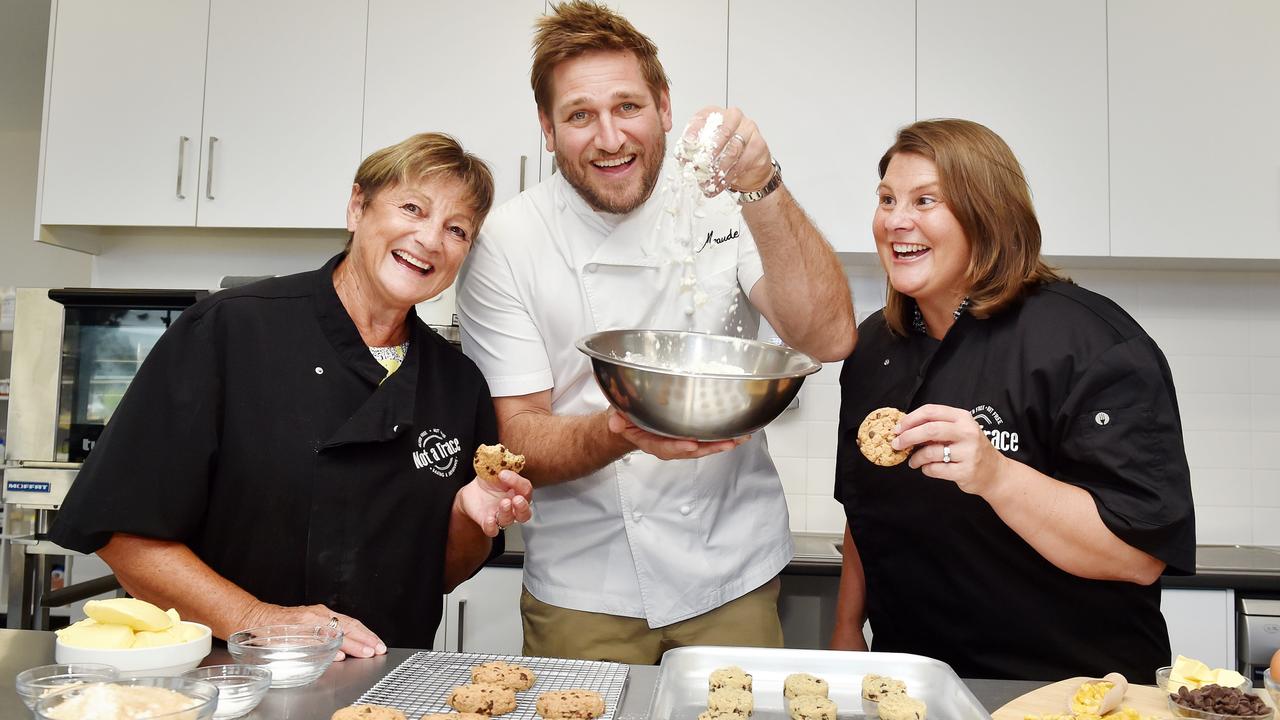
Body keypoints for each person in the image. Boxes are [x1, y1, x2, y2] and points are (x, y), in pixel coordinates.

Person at [455, 1, 855, 663]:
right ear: (548, 130)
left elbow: (830, 337)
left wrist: (763, 183)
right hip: (584, 590)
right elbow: (519, 433)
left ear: (665, 106)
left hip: (733, 577)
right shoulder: (509, 241)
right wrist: (620, 431)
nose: (610, 138)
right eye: (580, 115)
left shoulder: (728, 199)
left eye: (628, 107)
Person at [50, 133, 533, 659]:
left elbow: (438, 575)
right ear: (356, 207)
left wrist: (468, 515)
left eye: (456, 229)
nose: (430, 239)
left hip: (385, 688)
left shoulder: (458, 384)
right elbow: (123, 534)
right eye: (412, 208)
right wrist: (258, 620)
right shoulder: (230, 330)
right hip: (226, 674)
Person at [830, 118, 1195, 680]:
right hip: (911, 681)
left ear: (987, 213)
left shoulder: (1091, 343)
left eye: (925, 200)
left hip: (1071, 688)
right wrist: (846, 632)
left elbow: (1138, 555)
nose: (896, 220)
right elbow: (864, 509)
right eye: (886, 199)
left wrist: (996, 476)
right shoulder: (875, 344)